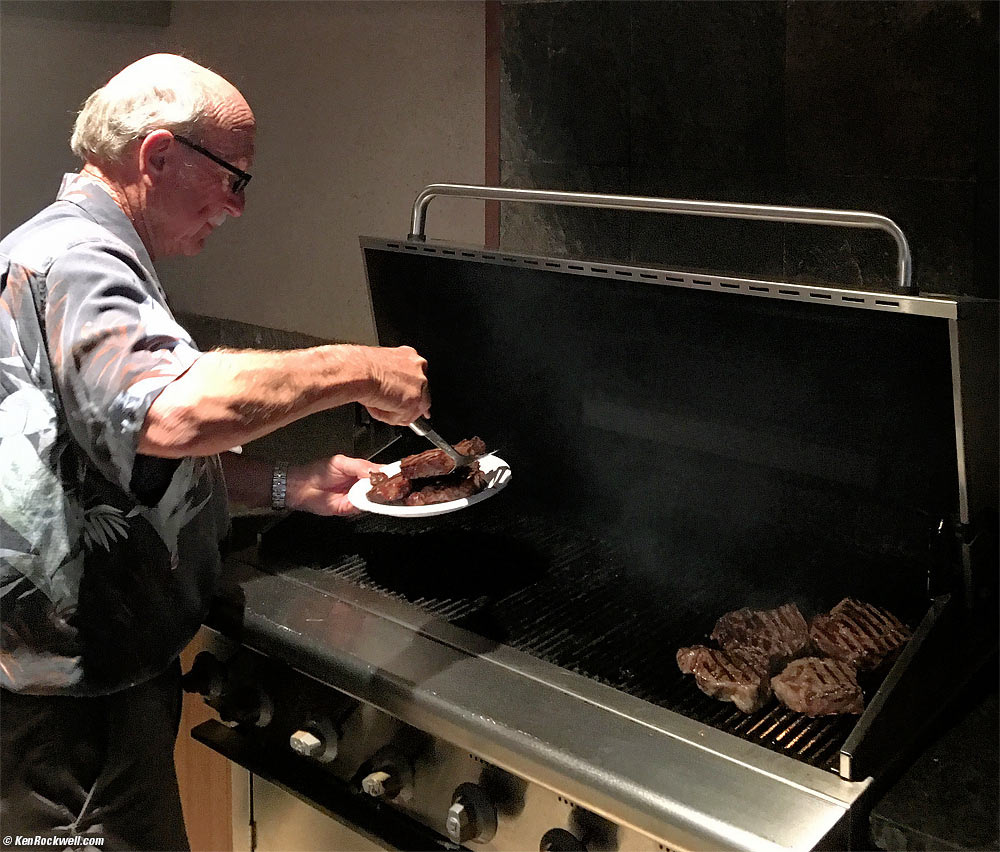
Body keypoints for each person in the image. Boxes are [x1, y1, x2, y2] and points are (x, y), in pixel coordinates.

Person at [0, 54, 429, 849]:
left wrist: (288, 482)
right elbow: (169, 413)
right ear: (158, 156)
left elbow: (110, 460)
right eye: (235, 179)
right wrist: (363, 367)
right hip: (70, 725)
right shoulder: (80, 263)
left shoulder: (61, 253)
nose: (235, 208)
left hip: (72, 703)